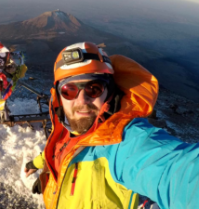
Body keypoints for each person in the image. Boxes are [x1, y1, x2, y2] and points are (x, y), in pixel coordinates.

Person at [24, 42, 199, 209]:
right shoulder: (68, 126)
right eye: (69, 91)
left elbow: (179, 173)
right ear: (58, 99)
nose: (82, 100)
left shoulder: (123, 142)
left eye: (94, 88)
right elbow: (64, 147)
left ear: (110, 93)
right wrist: (43, 167)